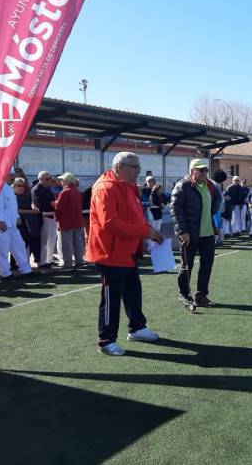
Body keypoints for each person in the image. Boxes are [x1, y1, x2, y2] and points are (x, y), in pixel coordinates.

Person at [86, 152, 163, 356]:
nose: (138, 171)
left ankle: (137, 328)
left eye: (138, 167)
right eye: (134, 167)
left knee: (133, 292)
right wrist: (144, 232)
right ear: (120, 167)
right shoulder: (105, 187)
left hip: (127, 251)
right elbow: (110, 224)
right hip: (109, 253)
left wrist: (148, 232)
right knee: (111, 299)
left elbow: (135, 218)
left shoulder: (128, 187)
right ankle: (106, 340)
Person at [170, 158, 222, 307]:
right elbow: (175, 210)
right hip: (189, 233)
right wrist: (182, 231)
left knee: (207, 265)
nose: (205, 173)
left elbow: (215, 202)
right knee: (187, 266)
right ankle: (184, 294)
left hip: (207, 233)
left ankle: (201, 296)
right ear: (192, 171)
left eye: (206, 170)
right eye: (201, 170)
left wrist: (212, 221)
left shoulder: (209, 185)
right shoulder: (182, 186)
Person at [0, 179, 33, 279]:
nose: (12, 177)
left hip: (11, 223)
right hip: (1, 223)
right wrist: (0, 220)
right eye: (10, 175)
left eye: (13, 175)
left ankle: (25, 269)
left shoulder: (8, 188)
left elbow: (12, 206)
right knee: (2, 249)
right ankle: (5, 273)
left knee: (20, 246)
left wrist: (17, 216)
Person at [54, 172, 85, 269]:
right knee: (78, 243)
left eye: (62, 180)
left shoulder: (64, 192)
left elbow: (59, 208)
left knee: (66, 244)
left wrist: (57, 219)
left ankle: (68, 263)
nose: (61, 182)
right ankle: (79, 261)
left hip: (66, 222)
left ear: (66, 181)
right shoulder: (77, 191)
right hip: (78, 221)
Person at [11, 177, 42, 269]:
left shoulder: (25, 196)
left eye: (23, 186)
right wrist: (31, 211)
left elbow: (31, 204)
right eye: (19, 186)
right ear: (13, 186)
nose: (22, 188)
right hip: (17, 223)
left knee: (29, 242)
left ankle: (27, 262)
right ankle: (14, 264)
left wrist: (33, 206)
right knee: (19, 243)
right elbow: (14, 210)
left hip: (29, 223)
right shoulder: (12, 197)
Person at [31, 171, 57, 268]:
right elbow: (39, 204)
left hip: (51, 216)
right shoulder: (36, 190)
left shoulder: (48, 189)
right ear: (40, 179)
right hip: (44, 217)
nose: (49, 181)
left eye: (50, 178)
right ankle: (42, 261)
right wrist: (52, 204)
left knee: (52, 240)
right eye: (47, 179)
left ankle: (49, 260)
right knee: (44, 241)